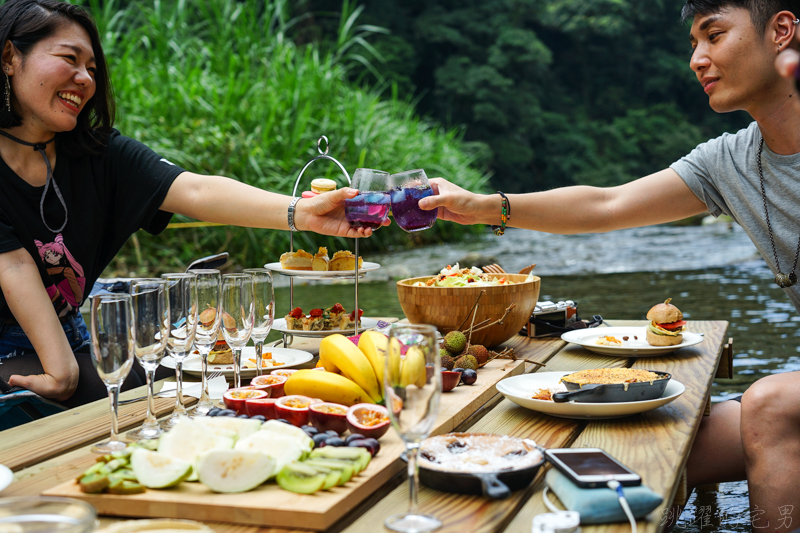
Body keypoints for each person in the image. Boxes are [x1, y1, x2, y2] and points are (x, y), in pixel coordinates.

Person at [420, 0, 800, 529]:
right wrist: (487, 206)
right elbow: (608, 204)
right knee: (661, 450)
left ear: (781, 31)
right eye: (693, 43)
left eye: (714, 35)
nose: (697, 57)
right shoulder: (732, 160)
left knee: (771, 406)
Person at [0, 0, 377, 411]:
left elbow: (196, 191)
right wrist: (63, 372)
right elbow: (15, 265)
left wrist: (301, 213)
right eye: (69, 58)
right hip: (11, 354)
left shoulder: (98, 153)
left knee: (189, 374)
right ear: (9, 57)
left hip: (72, 337)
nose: (84, 78)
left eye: (91, 68)